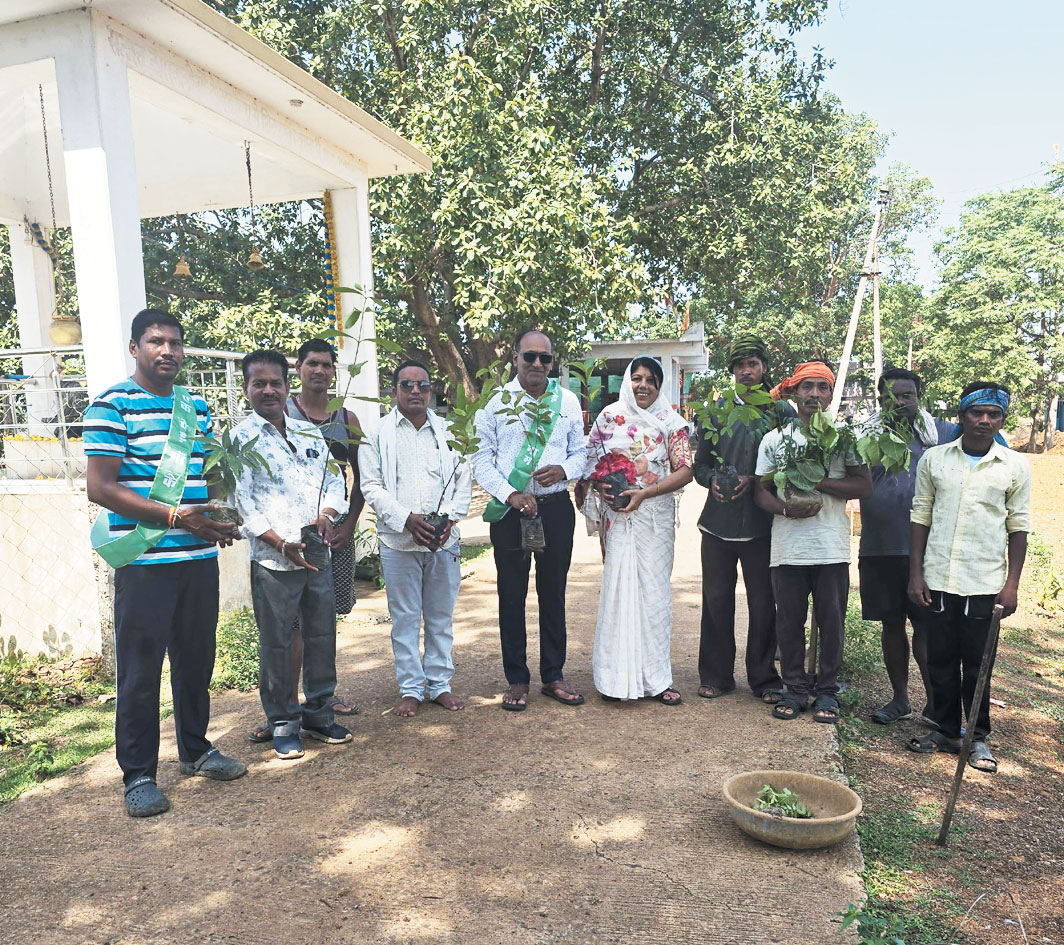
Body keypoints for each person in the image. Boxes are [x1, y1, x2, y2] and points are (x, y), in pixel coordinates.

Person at [85, 309, 246, 818]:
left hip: (198, 558)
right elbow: (100, 487)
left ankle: (196, 751)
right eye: (156, 341)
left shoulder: (196, 407)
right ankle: (138, 774)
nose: (168, 351)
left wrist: (218, 514)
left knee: (197, 659)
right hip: (145, 561)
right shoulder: (111, 406)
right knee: (140, 670)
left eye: (176, 343)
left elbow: (211, 472)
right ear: (135, 347)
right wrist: (179, 516)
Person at [233, 350, 351, 760]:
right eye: (259, 383)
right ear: (245, 388)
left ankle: (319, 712)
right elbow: (243, 502)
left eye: (275, 383)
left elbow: (334, 480)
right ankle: (282, 721)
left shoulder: (306, 432)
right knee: (277, 643)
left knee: (321, 634)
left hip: (316, 551)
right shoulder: (239, 440)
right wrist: (280, 543)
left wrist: (327, 514)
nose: (268, 390)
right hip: (273, 559)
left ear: (287, 386)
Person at [907, 382, 1030, 773]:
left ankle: (977, 738)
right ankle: (945, 730)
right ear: (961, 417)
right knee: (940, 658)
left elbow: (1019, 527)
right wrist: (916, 574)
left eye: (993, 414)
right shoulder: (936, 460)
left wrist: (1011, 585)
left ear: (1002, 420)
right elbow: (920, 517)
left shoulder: (1013, 466)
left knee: (978, 665)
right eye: (976, 413)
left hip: (985, 582)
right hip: (940, 577)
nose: (984, 420)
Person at [472, 328, 588, 711]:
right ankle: (517, 679)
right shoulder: (496, 403)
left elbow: (581, 453)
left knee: (553, 593)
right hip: (510, 511)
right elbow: (479, 460)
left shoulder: (567, 401)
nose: (538, 364)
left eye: (545, 358)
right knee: (512, 595)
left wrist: (564, 470)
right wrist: (510, 493)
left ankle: (553, 675)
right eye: (530, 357)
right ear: (515, 359)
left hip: (555, 509)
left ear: (553, 362)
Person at [754, 361, 872, 724]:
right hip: (788, 547)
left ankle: (827, 691)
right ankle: (794, 688)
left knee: (831, 622)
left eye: (823, 388)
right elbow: (761, 490)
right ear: (794, 393)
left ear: (831, 394)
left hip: (830, 547)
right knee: (789, 621)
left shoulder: (843, 437)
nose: (815, 395)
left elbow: (864, 486)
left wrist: (817, 482)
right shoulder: (776, 440)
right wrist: (786, 510)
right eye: (808, 387)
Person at [359, 361, 472, 717]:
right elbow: (371, 486)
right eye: (406, 385)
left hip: (443, 540)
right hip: (398, 542)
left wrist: (450, 518)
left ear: (430, 391)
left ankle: (439, 685)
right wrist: (406, 519)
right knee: (405, 618)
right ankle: (410, 689)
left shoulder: (450, 432)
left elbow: (463, 477)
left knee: (440, 617)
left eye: (422, 385)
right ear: (393, 391)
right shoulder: (376, 433)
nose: (415, 391)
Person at [582, 357, 693, 703]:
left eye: (651, 380)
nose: (643, 385)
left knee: (654, 595)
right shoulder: (607, 418)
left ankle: (657, 680)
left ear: (660, 387)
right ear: (626, 382)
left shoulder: (671, 423)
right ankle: (614, 680)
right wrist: (601, 487)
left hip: (654, 517)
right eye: (637, 378)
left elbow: (686, 468)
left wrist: (646, 493)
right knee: (618, 590)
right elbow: (587, 468)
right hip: (619, 520)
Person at [693, 334, 792, 703]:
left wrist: (759, 481)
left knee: (764, 603)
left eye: (753, 364)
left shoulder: (781, 412)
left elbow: (789, 467)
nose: (747, 371)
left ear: (764, 368)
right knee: (716, 600)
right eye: (739, 365)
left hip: (762, 525)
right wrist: (712, 481)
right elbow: (700, 465)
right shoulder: (714, 411)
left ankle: (764, 678)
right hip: (716, 523)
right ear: (731, 370)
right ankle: (717, 676)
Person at [858, 368, 954, 725]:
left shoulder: (941, 433)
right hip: (879, 544)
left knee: (926, 627)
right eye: (890, 396)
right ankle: (900, 699)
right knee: (891, 624)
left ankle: (936, 705)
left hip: (928, 549)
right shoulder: (863, 435)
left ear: (919, 397)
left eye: (907, 395)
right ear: (879, 399)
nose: (898, 402)